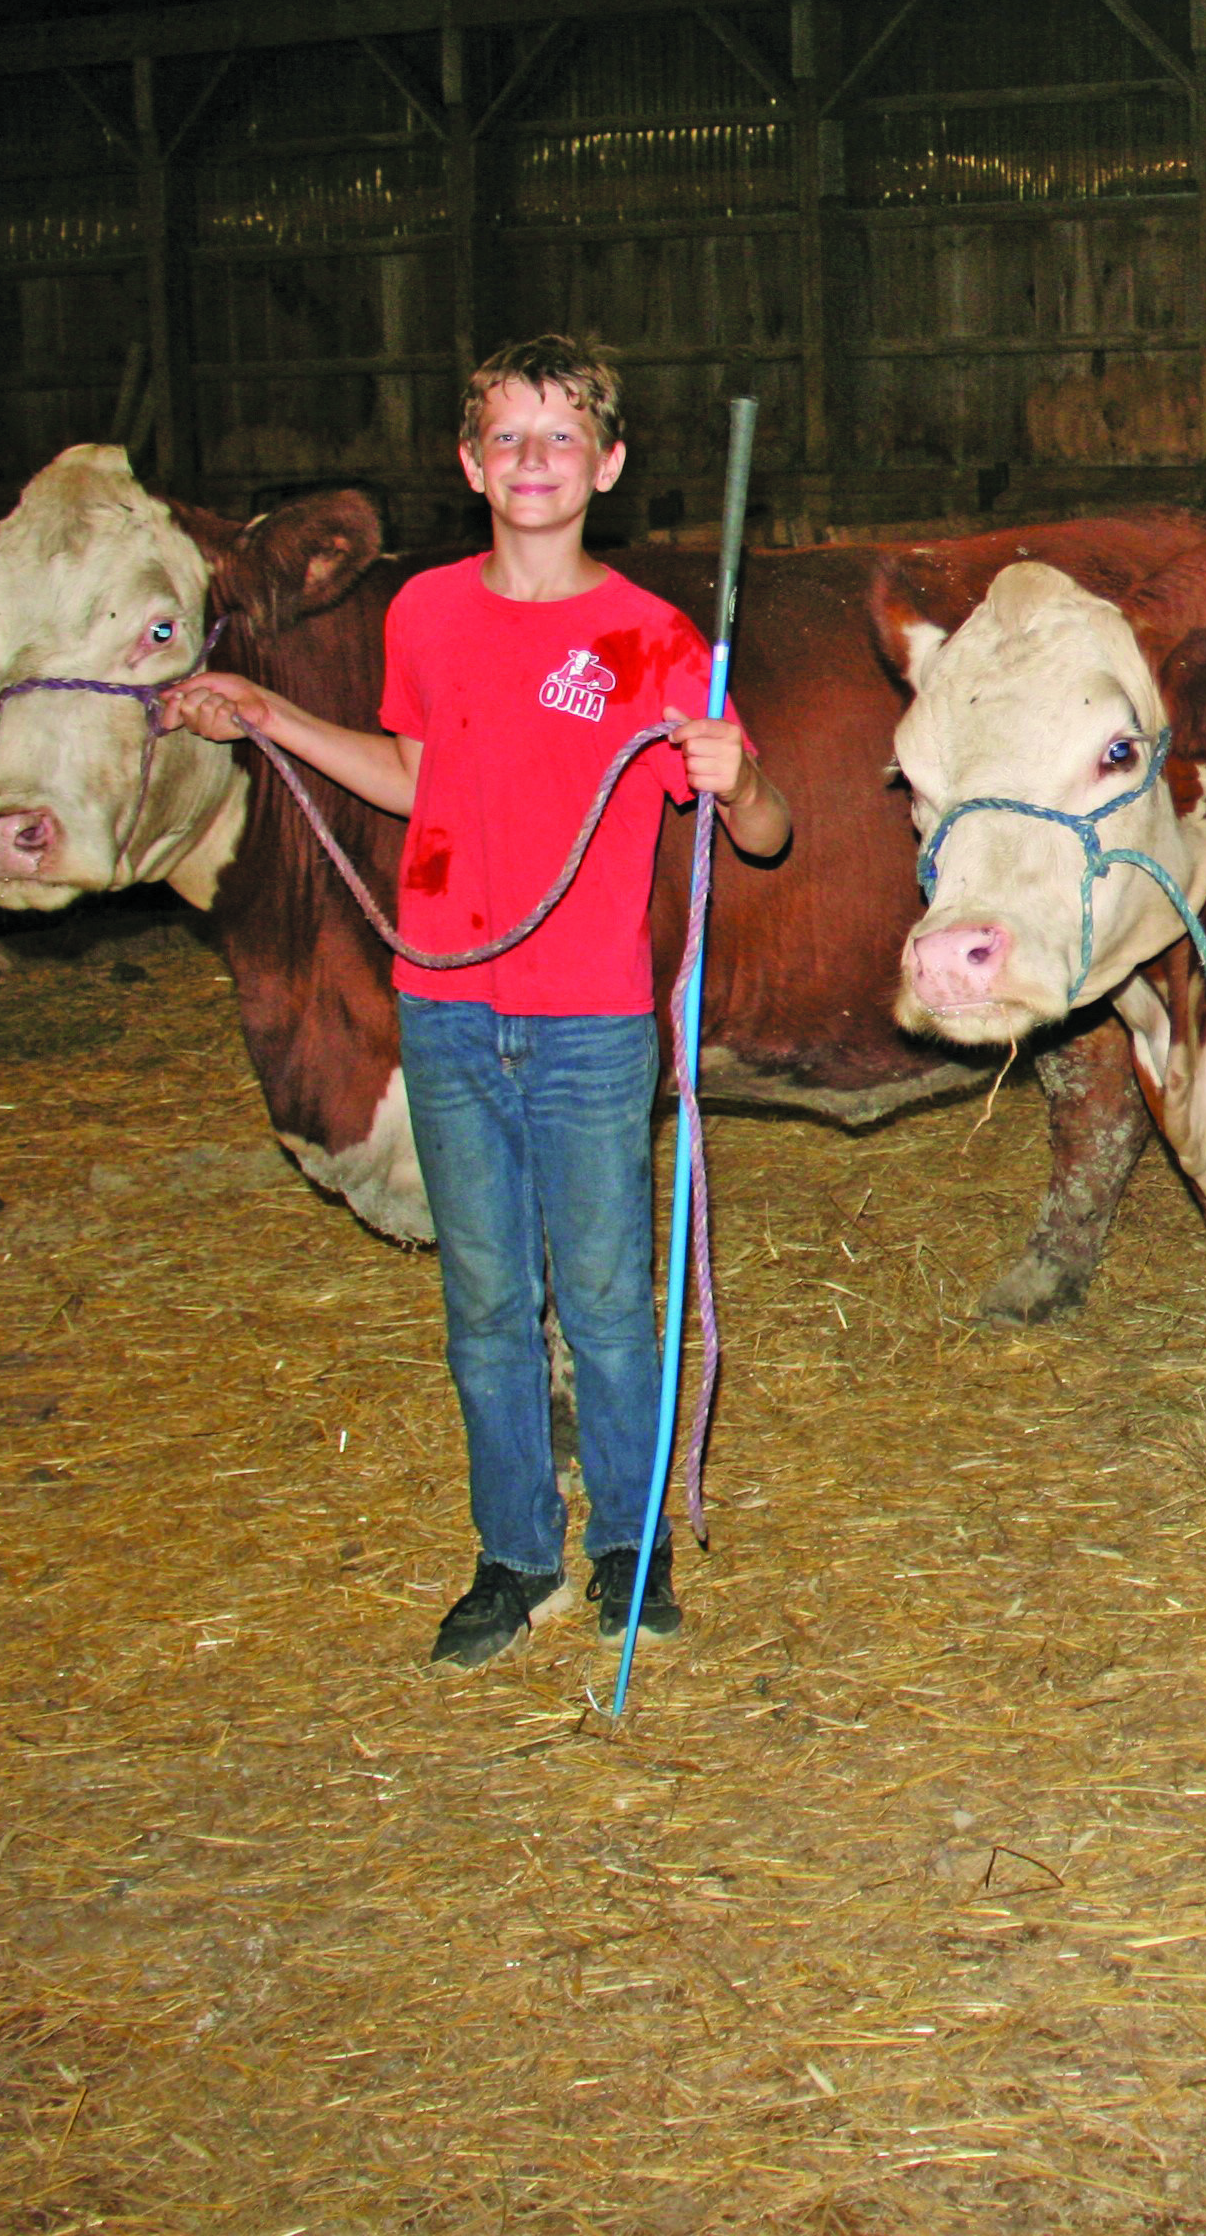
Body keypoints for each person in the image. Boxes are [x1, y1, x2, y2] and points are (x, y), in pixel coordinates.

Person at [160, 335, 792, 1670]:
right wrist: (269, 718)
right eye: (506, 439)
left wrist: (738, 779)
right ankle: (516, 1556)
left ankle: (629, 1546)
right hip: (445, 1004)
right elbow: (411, 773)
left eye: (560, 439)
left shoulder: (650, 638)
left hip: (590, 1023)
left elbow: (773, 831)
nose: (532, 463)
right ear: (469, 465)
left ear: (606, 467)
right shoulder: (429, 616)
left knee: (611, 1297)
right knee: (488, 1303)